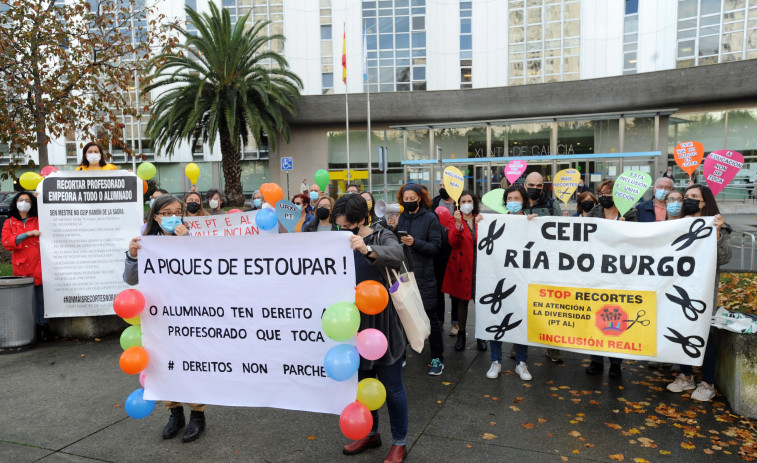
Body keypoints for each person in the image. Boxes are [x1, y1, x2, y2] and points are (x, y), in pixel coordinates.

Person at [123, 194, 207, 443]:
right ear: (156, 216)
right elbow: (130, 279)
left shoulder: (191, 238)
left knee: (191, 363)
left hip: (189, 315)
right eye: (166, 213)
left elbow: (205, 272)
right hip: (158, 317)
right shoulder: (146, 243)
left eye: (177, 212)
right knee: (162, 364)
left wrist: (187, 243)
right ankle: (174, 413)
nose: (172, 217)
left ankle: (197, 415)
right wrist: (132, 255)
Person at [333, 194, 408, 463]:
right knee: (364, 384)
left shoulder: (380, 235)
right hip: (352, 324)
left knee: (392, 387)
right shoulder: (336, 240)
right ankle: (371, 432)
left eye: (346, 226)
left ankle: (399, 441)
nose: (341, 231)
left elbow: (397, 253)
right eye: (338, 225)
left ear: (361, 220)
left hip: (382, 327)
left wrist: (365, 249)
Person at [666, 184, 731, 402]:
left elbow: (723, 258)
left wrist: (718, 232)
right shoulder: (677, 226)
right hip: (678, 288)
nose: (689, 200)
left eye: (694, 197)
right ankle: (686, 376)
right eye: (687, 197)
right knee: (682, 330)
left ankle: (708, 382)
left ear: (705, 202)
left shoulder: (717, 226)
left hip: (701, 291)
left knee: (705, 335)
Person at [387, 183, 444, 376]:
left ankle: (437, 357)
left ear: (420, 198)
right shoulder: (400, 217)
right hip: (403, 275)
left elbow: (436, 247)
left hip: (424, 276)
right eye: (405, 199)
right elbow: (393, 245)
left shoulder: (430, 218)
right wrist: (394, 229)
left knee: (430, 318)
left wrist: (415, 242)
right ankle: (401, 354)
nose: (409, 202)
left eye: (412, 198)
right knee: (402, 316)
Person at [585, 179, 637, 378]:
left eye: (608, 193)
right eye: (601, 193)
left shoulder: (631, 215)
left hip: (620, 276)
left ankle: (616, 363)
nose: (603, 196)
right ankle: (596, 360)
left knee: (616, 317)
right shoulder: (593, 214)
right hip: (596, 274)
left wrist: (628, 232)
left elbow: (640, 243)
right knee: (595, 317)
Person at [487, 185, 539, 381]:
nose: (513, 202)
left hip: (524, 279)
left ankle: (521, 363)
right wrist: (483, 223)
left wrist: (536, 226)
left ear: (524, 201)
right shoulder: (499, 221)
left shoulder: (532, 221)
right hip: (500, 277)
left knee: (521, 320)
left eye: (517, 198)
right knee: (497, 315)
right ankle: (495, 361)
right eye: (510, 198)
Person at [523, 171, 564, 363]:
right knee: (522, 303)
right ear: (525, 185)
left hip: (547, 262)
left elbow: (562, 230)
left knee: (550, 305)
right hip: (522, 262)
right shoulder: (517, 201)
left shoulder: (551, 203)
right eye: (532, 185)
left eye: (539, 186)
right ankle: (518, 343)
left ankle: (552, 346)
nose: (535, 189)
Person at [442, 190, 486, 353]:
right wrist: (459, 225)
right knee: (462, 302)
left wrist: (484, 224)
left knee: (481, 303)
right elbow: (453, 242)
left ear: (474, 203)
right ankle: (461, 334)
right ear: (458, 204)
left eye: (469, 201)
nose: (466, 204)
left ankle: (481, 336)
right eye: (463, 201)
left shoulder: (480, 220)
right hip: (462, 266)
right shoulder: (453, 220)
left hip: (479, 267)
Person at [2, 191, 46, 341]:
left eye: (28, 200)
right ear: (15, 203)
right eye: (21, 200)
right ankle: (30, 330)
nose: (24, 203)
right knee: (27, 301)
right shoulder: (9, 222)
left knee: (41, 299)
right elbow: (7, 243)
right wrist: (27, 234)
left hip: (39, 264)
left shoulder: (38, 220)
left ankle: (43, 329)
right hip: (22, 267)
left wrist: (39, 195)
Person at [432, 182, 457, 335]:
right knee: (438, 289)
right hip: (438, 252)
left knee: (455, 290)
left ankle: (456, 322)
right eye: (440, 184)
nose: (442, 186)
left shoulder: (461, 202)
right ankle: (439, 321)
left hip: (455, 251)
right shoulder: (435, 202)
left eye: (445, 184)